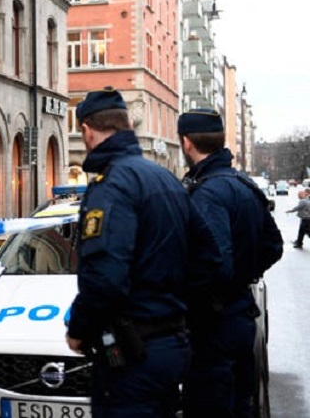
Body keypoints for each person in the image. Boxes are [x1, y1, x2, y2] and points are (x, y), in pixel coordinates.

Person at [64, 87, 222, 417]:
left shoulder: (113, 185)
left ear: (87, 131)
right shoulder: (164, 179)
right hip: (172, 344)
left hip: (133, 355)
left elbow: (105, 276)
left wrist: (79, 329)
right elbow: (208, 257)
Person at [178, 108, 284, 417]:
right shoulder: (243, 184)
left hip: (213, 327)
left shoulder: (208, 193)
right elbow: (273, 246)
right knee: (241, 405)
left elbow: (215, 262)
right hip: (239, 317)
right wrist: (245, 274)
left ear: (186, 143)